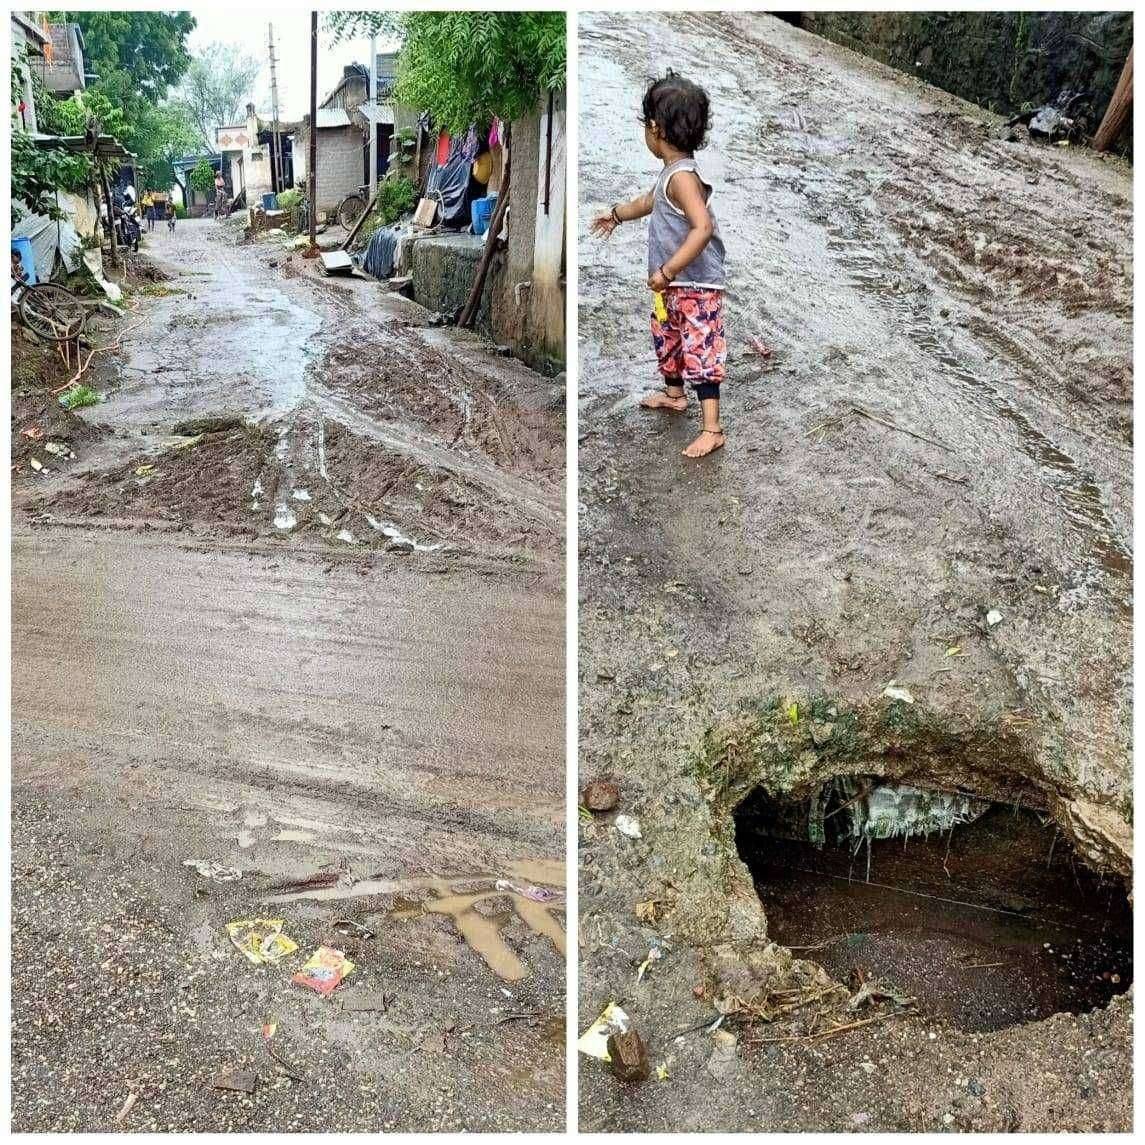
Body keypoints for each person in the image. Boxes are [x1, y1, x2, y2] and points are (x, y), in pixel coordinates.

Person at [590, 71, 727, 458]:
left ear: (655, 128)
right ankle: (674, 394)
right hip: (671, 288)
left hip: (696, 287)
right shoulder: (671, 174)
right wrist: (615, 214)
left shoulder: (684, 178)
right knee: (668, 338)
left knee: (700, 350)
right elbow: (648, 202)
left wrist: (668, 271)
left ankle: (712, 428)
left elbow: (703, 228)